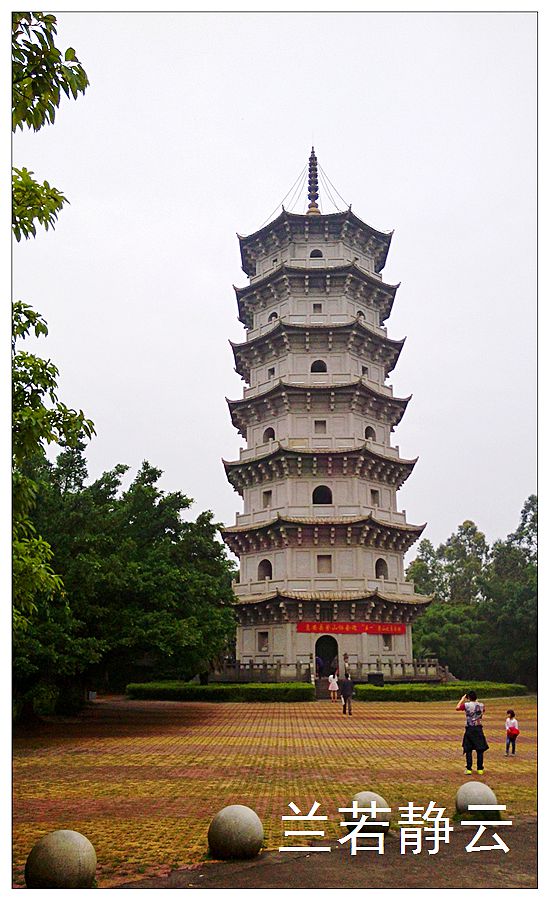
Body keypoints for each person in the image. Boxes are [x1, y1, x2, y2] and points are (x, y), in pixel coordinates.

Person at [456, 690, 489, 775]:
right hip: (478, 728)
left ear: (468, 698)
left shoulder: (467, 705)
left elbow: (457, 707)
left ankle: (469, 769)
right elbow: (483, 710)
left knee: (468, 749)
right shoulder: (481, 705)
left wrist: (462, 699)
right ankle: (480, 769)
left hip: (470, 728)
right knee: (480, 749)